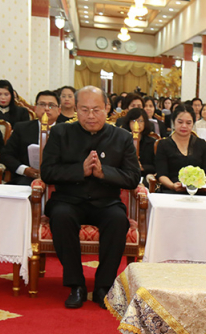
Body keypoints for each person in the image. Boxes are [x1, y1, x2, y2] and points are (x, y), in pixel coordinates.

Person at [40, 86, 140, 310]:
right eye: (84, 110)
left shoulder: (122, 137)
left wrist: (104, 173)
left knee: (117, 220)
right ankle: (76, 285)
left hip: (106, 202)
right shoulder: (60, 133)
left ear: (107, 108)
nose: (91, 115)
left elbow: (133, 177)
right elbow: (47, 172)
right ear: (76, 109)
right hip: (68, 200)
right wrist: (80, 171)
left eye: (96, 109)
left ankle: (104, 286)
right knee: (62, 217)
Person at [0, 90, 61, 186]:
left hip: (58, 180)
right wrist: (25, 170)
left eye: (51, 105)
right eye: (42, 104)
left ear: (59, 110)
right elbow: (5, 155)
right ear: (35, 109)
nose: (46, 109)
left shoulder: (66, 131)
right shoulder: (22, 128)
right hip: (27, 179)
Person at [154, 105, 206, 194]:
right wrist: (172, 186)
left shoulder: (202, 144)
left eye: (188, 123)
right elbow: (161, 174)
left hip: (198, 191)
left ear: (193, 123)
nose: (184, 126)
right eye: (180, 122)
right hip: (171, 190)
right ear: (173, 122)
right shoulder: (163, 144)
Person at [0, 80, 31, 156]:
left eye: (6, 94)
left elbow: (25, 137)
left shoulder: (22, 112)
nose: (3, 98)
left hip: (15, 153)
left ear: (11, 95)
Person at [119, 108, 156, 180]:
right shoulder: (121, 140)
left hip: (145, 177)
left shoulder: (152, 142)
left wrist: (142, 167)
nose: (137, 124)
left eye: (140, 121)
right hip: (125, 176)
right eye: (133, 121)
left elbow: (156, 166)